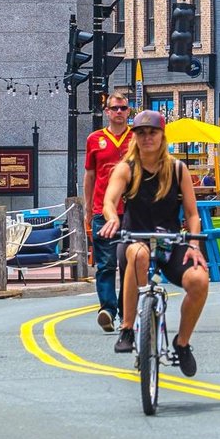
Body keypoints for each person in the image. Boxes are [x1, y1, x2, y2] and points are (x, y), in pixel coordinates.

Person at [101, 110, 209, 376]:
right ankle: (127, 328)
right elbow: (108, 201)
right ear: (134, 137)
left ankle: (182, 343)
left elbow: (193, 214)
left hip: (170, 241)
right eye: (141, 133)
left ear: (162, 136)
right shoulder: (126, 169)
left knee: (199, 281)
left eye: (153, 132)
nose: (147, 138)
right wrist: (112, 218)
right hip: (134, 239)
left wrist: (194, 244)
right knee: (138, 255)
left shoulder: (177, 168)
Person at [83, 88, 133, 333]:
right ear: (107, 112)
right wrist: (88, 208)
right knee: (105, 263)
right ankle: (107, 310)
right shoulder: (95, 139)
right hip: (103, 210)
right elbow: (90, 175)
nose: (119, 112)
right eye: (115, 108)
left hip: (131, 210)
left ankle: (126, 310)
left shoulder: (136, 137)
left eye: (123, 108)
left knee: (128, 263)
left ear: (129, 111)